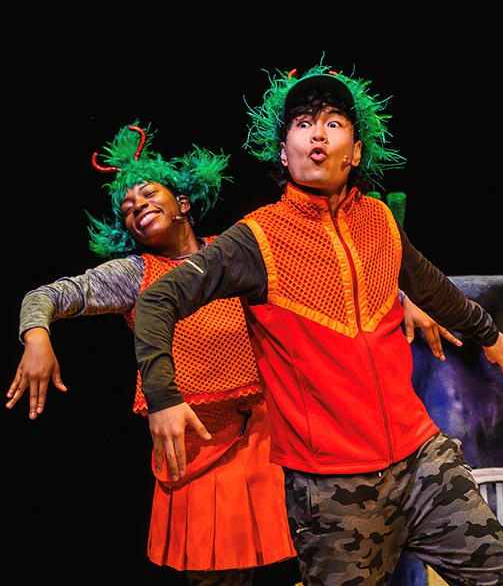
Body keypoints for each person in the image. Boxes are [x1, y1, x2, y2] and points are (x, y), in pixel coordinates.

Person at [132, 66, 503, 586]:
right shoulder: (256, 239)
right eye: (302, 124)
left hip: (420, 460)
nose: (318, 133)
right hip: (333, 488)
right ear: (283, 152)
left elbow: (429, 286)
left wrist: (487, 332)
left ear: (356, 150)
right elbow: (157, 301)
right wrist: (163, 397)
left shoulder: (379, 220)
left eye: (333, 122)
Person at [8, 123, 295, 585]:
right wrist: (36, 336)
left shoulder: (231, 254)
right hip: (193, 446)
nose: (137, 207)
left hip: (262, 435)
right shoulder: (135, 273)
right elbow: (46, 296)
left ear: (183, 204)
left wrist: (405, 301)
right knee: (215, 576)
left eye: (147, 194)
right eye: (126, 208)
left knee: (292, 564)